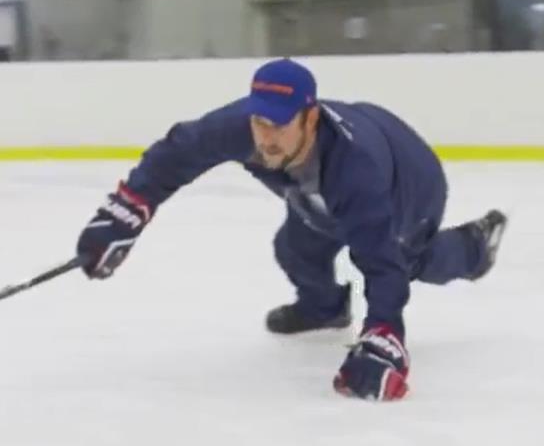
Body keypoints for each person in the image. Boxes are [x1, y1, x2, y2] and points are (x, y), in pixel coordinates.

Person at [76, 58, 507, 402]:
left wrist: (384, 337)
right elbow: (177, 154)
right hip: (322, 192)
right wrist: (125, 214)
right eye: (260, 123)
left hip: (409, 180)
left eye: (280, 125)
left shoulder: (357, 172)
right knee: (296, 246)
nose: (266, 139)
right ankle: (325, 308)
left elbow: (381, 268)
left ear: (311, 118)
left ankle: (472, 248)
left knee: (408, 260)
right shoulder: (246, 127)